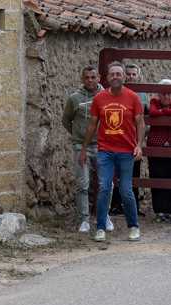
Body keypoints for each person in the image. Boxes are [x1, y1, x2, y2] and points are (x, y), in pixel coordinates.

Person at [80, 62, 145, 242]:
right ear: (107, 77)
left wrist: (139, 145)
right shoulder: (100, 98)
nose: (115, 77)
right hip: (105, 151)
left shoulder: (133, 97)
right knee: (104, 187)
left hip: (126, 151)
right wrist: (84, 148)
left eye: (118, 74)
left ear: (124, 77)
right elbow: (92, 125)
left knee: (126, 190)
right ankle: (100, 228)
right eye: (112, 74)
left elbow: (140, 123)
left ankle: (133, 226)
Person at [62, 65, 113, 233]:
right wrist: (79, 135)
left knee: (106, 183)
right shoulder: (74, 98)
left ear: (99, 78)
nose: (90, 80)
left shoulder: (108, 96)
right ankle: (84, 219)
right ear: (82, 79)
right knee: (83, 183)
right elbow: (66, 120)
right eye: (86, 77)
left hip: (103, 146)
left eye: (93, 77)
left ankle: (104, 216)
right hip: (81, 146)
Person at [111, 63, 149, 217]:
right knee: (116, 172)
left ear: (138, 76)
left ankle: (133, 206)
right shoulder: (117, 91)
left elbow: (146, 117)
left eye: (134, 74)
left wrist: (142, 137)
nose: (131, 77)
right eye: (129, 74)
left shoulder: (143, 95)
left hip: (134, 140)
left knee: (134, 173)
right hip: (118, 138)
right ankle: (115, 205)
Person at [147, 78, 171, 223]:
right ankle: (159, 211)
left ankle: (170, 211)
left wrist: (163, 111)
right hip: (156, 146)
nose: (166, 96)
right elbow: (152, 112)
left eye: (169, 93)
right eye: (163, 93)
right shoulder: (154, 102)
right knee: (157, 177)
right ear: (158, 94)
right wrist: (167, 112)